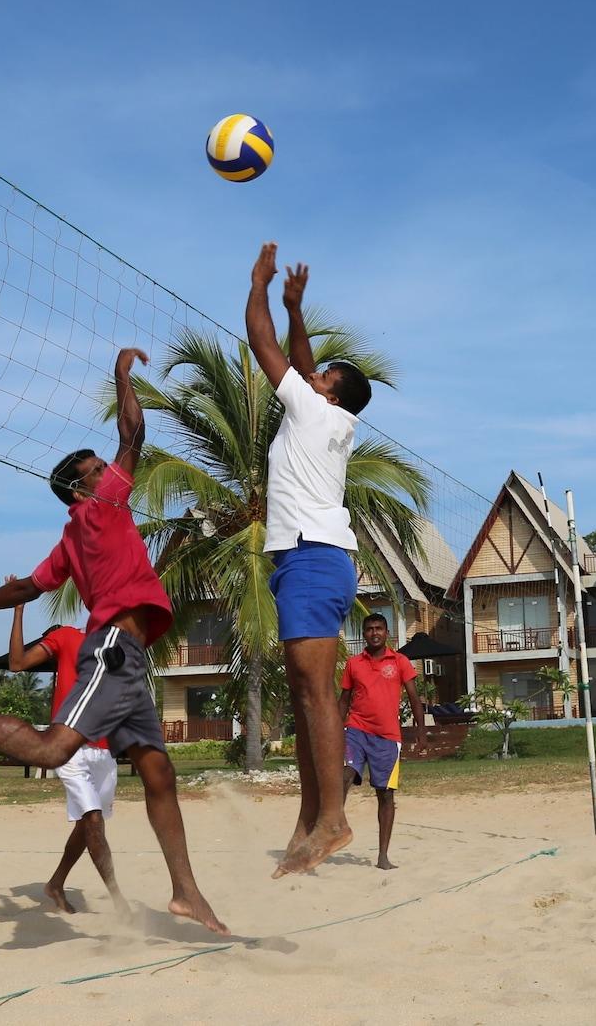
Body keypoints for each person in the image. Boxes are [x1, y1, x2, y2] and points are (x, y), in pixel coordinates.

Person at [0, 345, 227, 935]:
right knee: (55, 749)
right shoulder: (104, 505)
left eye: (101, 465)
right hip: (110, 649)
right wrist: (120, 376)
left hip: (128, 660)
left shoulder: (74, 533)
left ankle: (186, 893)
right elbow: (134, 431)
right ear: (82, 490)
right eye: (93, 470)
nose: (107, 469)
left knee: (159, 774)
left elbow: (29, 587)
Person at [244, 242, 372, 878]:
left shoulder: (314, 414)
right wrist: (299, 310)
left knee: (317, 694)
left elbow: (261, 344)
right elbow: (300, 358)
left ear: (330, 394)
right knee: (304, 695)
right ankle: (306, 826)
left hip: (313, 558)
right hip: (311, 561)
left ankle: (334, 820)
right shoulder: (329, 420)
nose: (311, 375)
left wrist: (261, 287)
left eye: (321, 377)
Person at [6, 605, 131, 914]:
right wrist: (19, 610)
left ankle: (56, 883)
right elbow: (17, 663)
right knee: (93, 821)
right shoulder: (65, 637)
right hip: (69, 746)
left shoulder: (119, 648)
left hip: (105, 750)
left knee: (87, 827)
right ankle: (120, 903)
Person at [340, 613, 426, 870]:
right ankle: (334, 824)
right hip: (356, 729)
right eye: (369, 629)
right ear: (363, 634)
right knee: (344, 774)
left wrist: (421, 732)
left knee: (385, 795)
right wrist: (334, 729)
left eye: (379, 628)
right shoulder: (353, 664)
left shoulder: (400, 662)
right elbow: (343, 700)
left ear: (386, 633)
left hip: (387, 739)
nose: (374, 633)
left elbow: (414, 698)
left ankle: (382, 856)